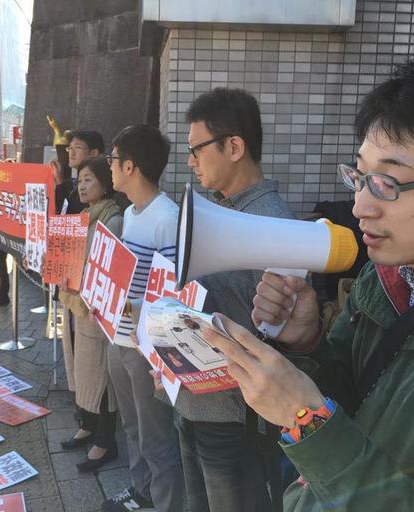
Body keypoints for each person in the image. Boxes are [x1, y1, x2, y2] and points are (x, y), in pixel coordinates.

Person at [204, 49, 414, 511]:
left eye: (389, 185)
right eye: (359, 176)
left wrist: (307, 421)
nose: (359, 207)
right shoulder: (385, 277)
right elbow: (357, 397)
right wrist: (308, 343)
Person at [166, 87, 294, 512]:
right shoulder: (219, 209)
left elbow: (284, 339)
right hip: (195, 399)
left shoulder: (274, 224)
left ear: (234, 147)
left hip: (234, 418)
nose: (190, 161)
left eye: (197, 149)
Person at [103, 124, 184, 512]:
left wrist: (131, 309)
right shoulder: (131, 213)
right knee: (133, 427)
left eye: (113, 160)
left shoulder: (167, 217)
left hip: (144, 347)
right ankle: (142, 492)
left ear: (131, 166)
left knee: (155, 435)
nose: (110, 168)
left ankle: (166, 502)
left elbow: (171, 295)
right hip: (116, 336)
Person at [58, 156, 122, 472]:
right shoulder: (83, 215)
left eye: (88, 179)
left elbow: (109, 269)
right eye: (79, 179)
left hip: (97, 309)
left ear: (105, 183)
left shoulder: (112, 219)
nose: (82, 185)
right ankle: (87, 425)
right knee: (83, 370)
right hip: (76, 303)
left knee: (101, 376)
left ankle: (104, 442)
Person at [64, 130, 105, 214]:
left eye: (77, 148)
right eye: (70, 148)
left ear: (93, 153)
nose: (72, 153)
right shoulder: (71, 188)